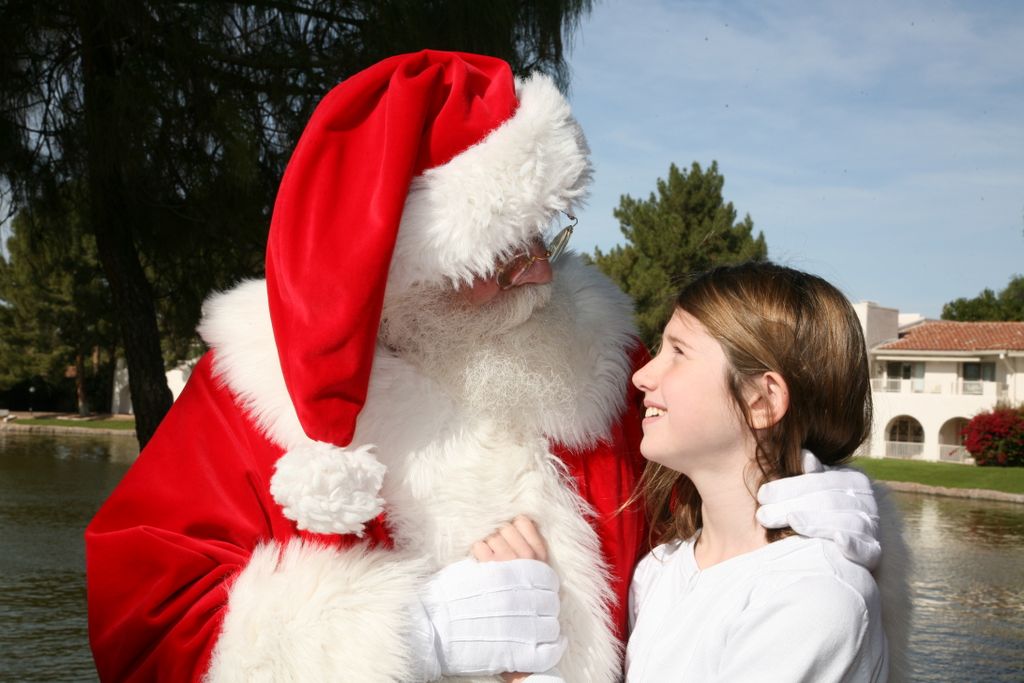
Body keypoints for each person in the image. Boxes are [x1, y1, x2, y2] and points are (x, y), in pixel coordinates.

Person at [86, 52, 882, 682]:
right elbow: (145, 626)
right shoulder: (248, 397)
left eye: (545, 236)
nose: (540, 275)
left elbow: (724, 495)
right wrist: (409, 636)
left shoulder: (599, 358)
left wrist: (822, 530)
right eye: (503, 256)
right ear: (396, 267)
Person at [477, 261, 891, 681]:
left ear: (762, 400)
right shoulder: (663, 569)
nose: (641, 375)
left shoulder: (813, 597)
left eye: (678, 352)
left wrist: (522, 668)